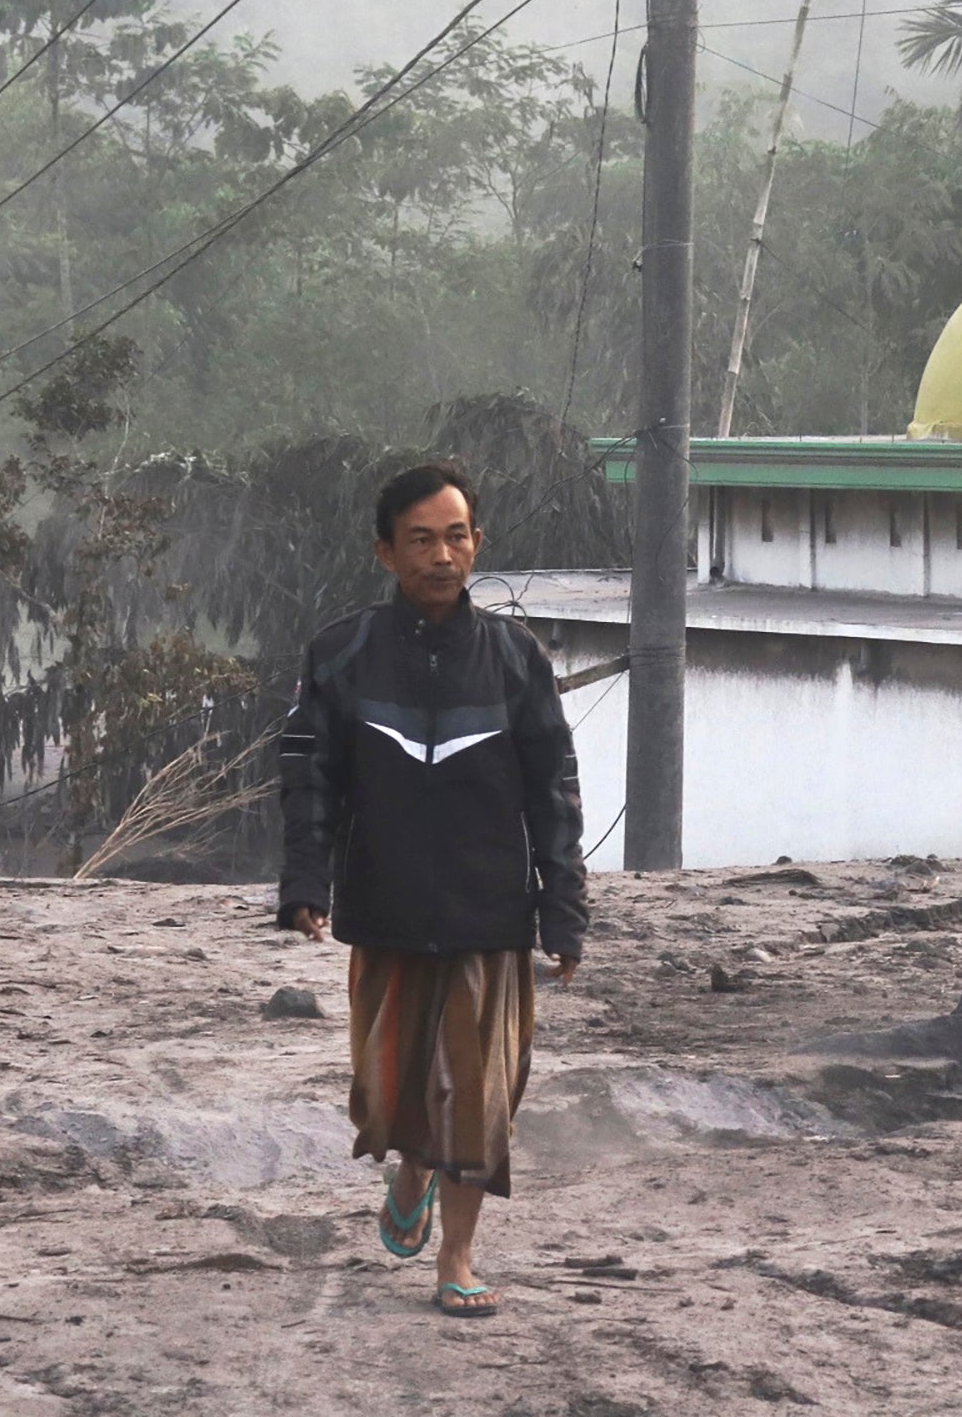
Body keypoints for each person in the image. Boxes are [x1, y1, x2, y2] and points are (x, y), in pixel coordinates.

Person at [277, 460, 588, 1319]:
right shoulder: (341, 653)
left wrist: (563, 910)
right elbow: (308, 777)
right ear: (386, 552)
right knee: (389, 1097)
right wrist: (305, 881)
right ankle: (407, 1172)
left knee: (477, 1100)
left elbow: (554, 791)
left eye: (456, 536)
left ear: (476, 544)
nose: (442, 556)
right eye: (421, 540)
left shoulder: (517, 660)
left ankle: (456, 1257)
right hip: (385, 911)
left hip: (491, 915)